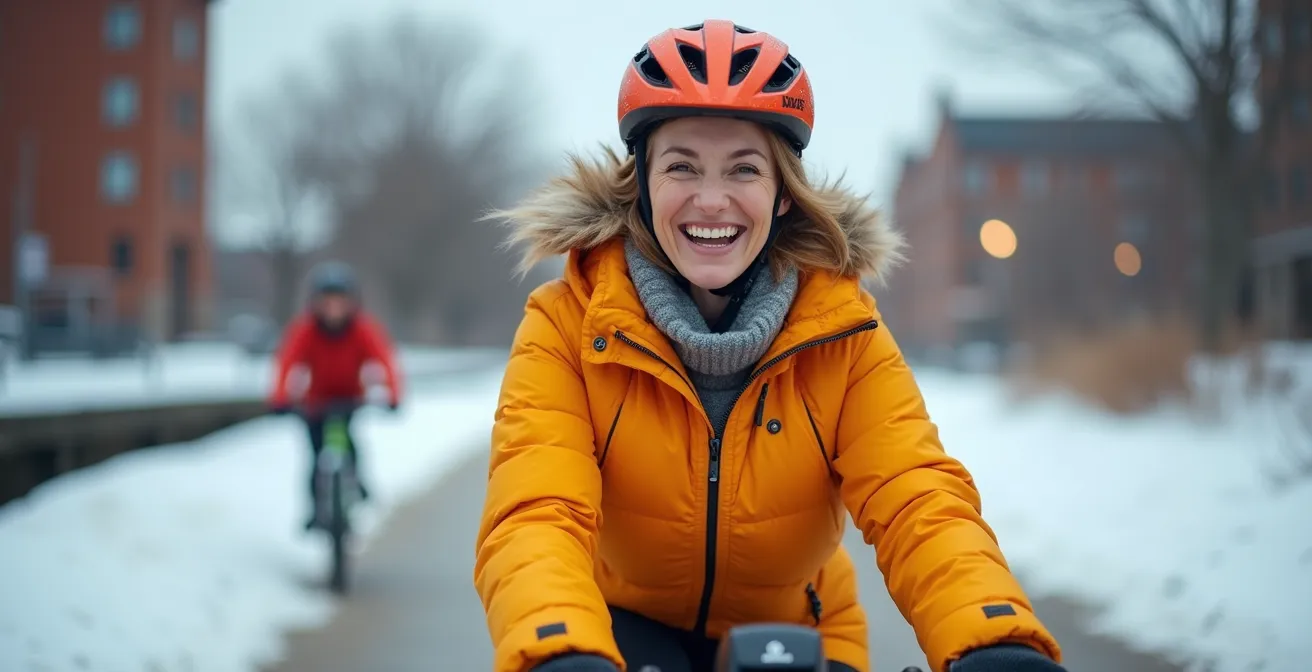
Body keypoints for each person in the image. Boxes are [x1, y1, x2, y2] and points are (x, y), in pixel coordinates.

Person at [474, 20, 1067, 672]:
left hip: (801, 630)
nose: (711, 199)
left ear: (783, 193)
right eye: (681, 166)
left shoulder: (846, 332)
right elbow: (536, 513)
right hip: (618, 631)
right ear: (641, 184)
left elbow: (918, 498)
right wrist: (558, 648)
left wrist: (993, 635)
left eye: (743, 169)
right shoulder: (566, 324)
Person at [268, 261, 403, 530]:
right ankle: (315, 508)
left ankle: (357, 483)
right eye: (326, 301)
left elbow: (385, 359)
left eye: (340, 301)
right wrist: (280, 396)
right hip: (316, 402)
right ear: (315, 303)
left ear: (352, 303)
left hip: (351, 398)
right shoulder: (305, 329)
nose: (333, 309)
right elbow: (286, 361)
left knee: (351, 448)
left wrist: (393, 394)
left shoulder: (363, 329)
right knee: (316, 454)